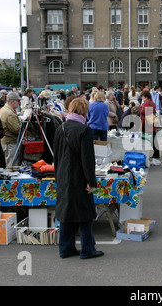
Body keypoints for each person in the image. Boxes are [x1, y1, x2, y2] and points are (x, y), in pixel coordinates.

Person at [53, 97, 103, 259]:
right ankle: (88, 249)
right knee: (86, 214)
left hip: (63, 175)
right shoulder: (84, 130)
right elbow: (87, 159)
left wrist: (57, 177)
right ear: (84, 111)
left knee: (66, 212)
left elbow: (56, 156)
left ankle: (65, 248)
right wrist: (91, 181)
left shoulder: (60, 128)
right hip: (79, 176)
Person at [0, 92, 22, 166]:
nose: (19, 103)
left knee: (8, 162)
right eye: (18, 101)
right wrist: (23, 125)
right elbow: (17, 129)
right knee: (12, 165)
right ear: (12, 101)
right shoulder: (9, 113)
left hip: (6, 142)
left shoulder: (4, 109)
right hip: (10, 143)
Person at [140, 89, 160, 163]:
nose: (142, 98)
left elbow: (147, 113)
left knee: (149, 140)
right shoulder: (151, 102)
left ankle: (154, 153)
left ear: (145, 96)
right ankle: (156, 153)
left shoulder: (147, 103)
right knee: (153, 139)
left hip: (147, 123)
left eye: (142, 96)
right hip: (150, 123)